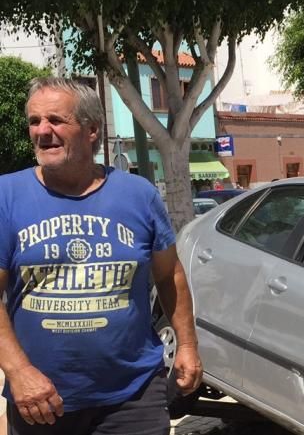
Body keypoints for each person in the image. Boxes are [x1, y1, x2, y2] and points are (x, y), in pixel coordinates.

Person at [0, 77, 201, 434]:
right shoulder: (6, 196)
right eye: (34, 121)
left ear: (92, 130)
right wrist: (18, 371)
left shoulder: (138, 195)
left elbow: (169, 274)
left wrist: (187, 345)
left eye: (55, 121)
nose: (42, 131)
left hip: (133, 395)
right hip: (42, 400)